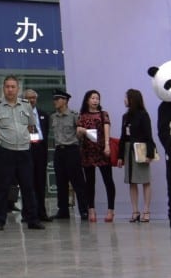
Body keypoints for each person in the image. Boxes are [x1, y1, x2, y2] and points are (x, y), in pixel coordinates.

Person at [0, 75, 44, 230]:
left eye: (13, 87)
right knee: (1, 187)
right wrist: (1, 138)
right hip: (5, 151)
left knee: (28, 187)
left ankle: (32, 219)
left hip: (24, 151)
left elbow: (30, 126)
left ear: (18, 89)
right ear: (3, 88)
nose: (10, 90)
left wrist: (21, 137)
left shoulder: (26, 105)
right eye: (7, 87)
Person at [77, 89, 117, 222]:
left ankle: (111, 210)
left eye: (97, 98)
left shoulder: (103, 114)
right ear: (87, 100)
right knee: (90, 182)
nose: (95, 101)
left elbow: (107, 130)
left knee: (108, 180)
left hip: (102, 150)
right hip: (87, 152)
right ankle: (91, 210)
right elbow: (78, 135)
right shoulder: (82, 115)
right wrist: (81, 130)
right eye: (93, 98)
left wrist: (107, 145)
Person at [49, 90, 89, 220]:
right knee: (61, 182)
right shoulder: (53, 117)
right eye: (54, 99)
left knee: (78, 182)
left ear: (65, 101)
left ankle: (83, 210)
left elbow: (81, 135)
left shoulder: (74, 116)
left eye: (57, 99)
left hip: (72, 150)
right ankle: (63, 210)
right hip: (59, 151)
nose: (55, 102)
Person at [116, 88, 154, 223]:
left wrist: (150, 154)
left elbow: (149, 135)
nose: (124, 100)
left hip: (140, 150)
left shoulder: (143, 115)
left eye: (126, 97)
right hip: (128, 150)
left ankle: (146, 211)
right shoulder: (125, 117)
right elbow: (123, 137)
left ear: (132, 99)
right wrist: (120, 156)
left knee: (145, 181)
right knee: (132, 181)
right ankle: (135, 211)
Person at [24, 88, 52, 222]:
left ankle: (42, 212)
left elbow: (45, 132)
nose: (31, 100)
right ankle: (28, 213)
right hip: (26, 148)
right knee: (27, 182)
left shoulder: (43, 114)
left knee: (40, 182)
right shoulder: (21, 114)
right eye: (28, 98)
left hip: (40, 149)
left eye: (33, 98)